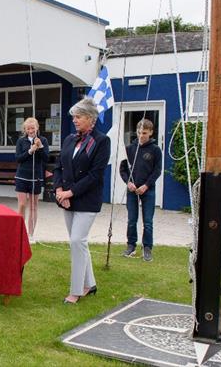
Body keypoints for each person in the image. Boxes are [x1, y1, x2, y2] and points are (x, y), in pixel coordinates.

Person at [53, 97, 110, 305]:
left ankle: (76, 290)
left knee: (77, 241)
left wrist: (70, 193)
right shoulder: (69, 139)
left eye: (78, 117)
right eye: (74, 117)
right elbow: (58, 167)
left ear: (90, 118)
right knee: (79, 244)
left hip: (86, 200)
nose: (75, 120)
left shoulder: (102, 141)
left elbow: (95, 175)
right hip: (66, 199)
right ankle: (90, 284)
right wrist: (59, 190)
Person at [119, 118, 163, 262]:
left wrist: (146, 185)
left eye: (144, 133)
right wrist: (128, 182)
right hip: (132, 190)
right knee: (132, 219)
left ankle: (147, 248)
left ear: (150, 132)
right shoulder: (129, 149)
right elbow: (123, 169)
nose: (141, 135)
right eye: (139, 132)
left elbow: (157, 171)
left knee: (148, 221)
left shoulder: (155, 150)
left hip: (147, 190)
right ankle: (131, 245)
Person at [14, 117, 49, 240]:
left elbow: (46, 159)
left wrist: (40, 148)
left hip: (36, 178)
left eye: (33, 128)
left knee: (33, 206)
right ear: (25, 129)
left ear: (37, 128)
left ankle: (31, 234)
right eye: (28, 128)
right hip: (22, 177)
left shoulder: (42, 140)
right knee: (22, 204)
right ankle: (20, 232)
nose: (31, 130)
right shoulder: (21, 141)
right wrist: (30, 151)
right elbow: (18, 158)